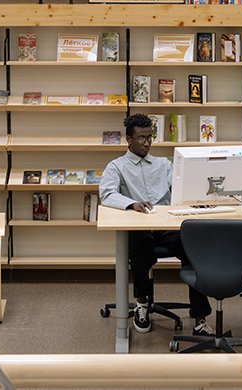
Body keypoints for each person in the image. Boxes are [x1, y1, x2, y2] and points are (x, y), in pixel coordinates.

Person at [99, 113, 214, 336]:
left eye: (150, 137)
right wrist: (131, 203)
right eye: (141, 138)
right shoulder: (117, 167)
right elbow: (107, 194)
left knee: (193, 248)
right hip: (140, 230)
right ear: (129, 140)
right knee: (140, 248)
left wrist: (198, 201)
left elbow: (181, 190)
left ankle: (200, 317)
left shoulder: (164, 164)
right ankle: (142, 303)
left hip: (167, 228)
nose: (147, 143)